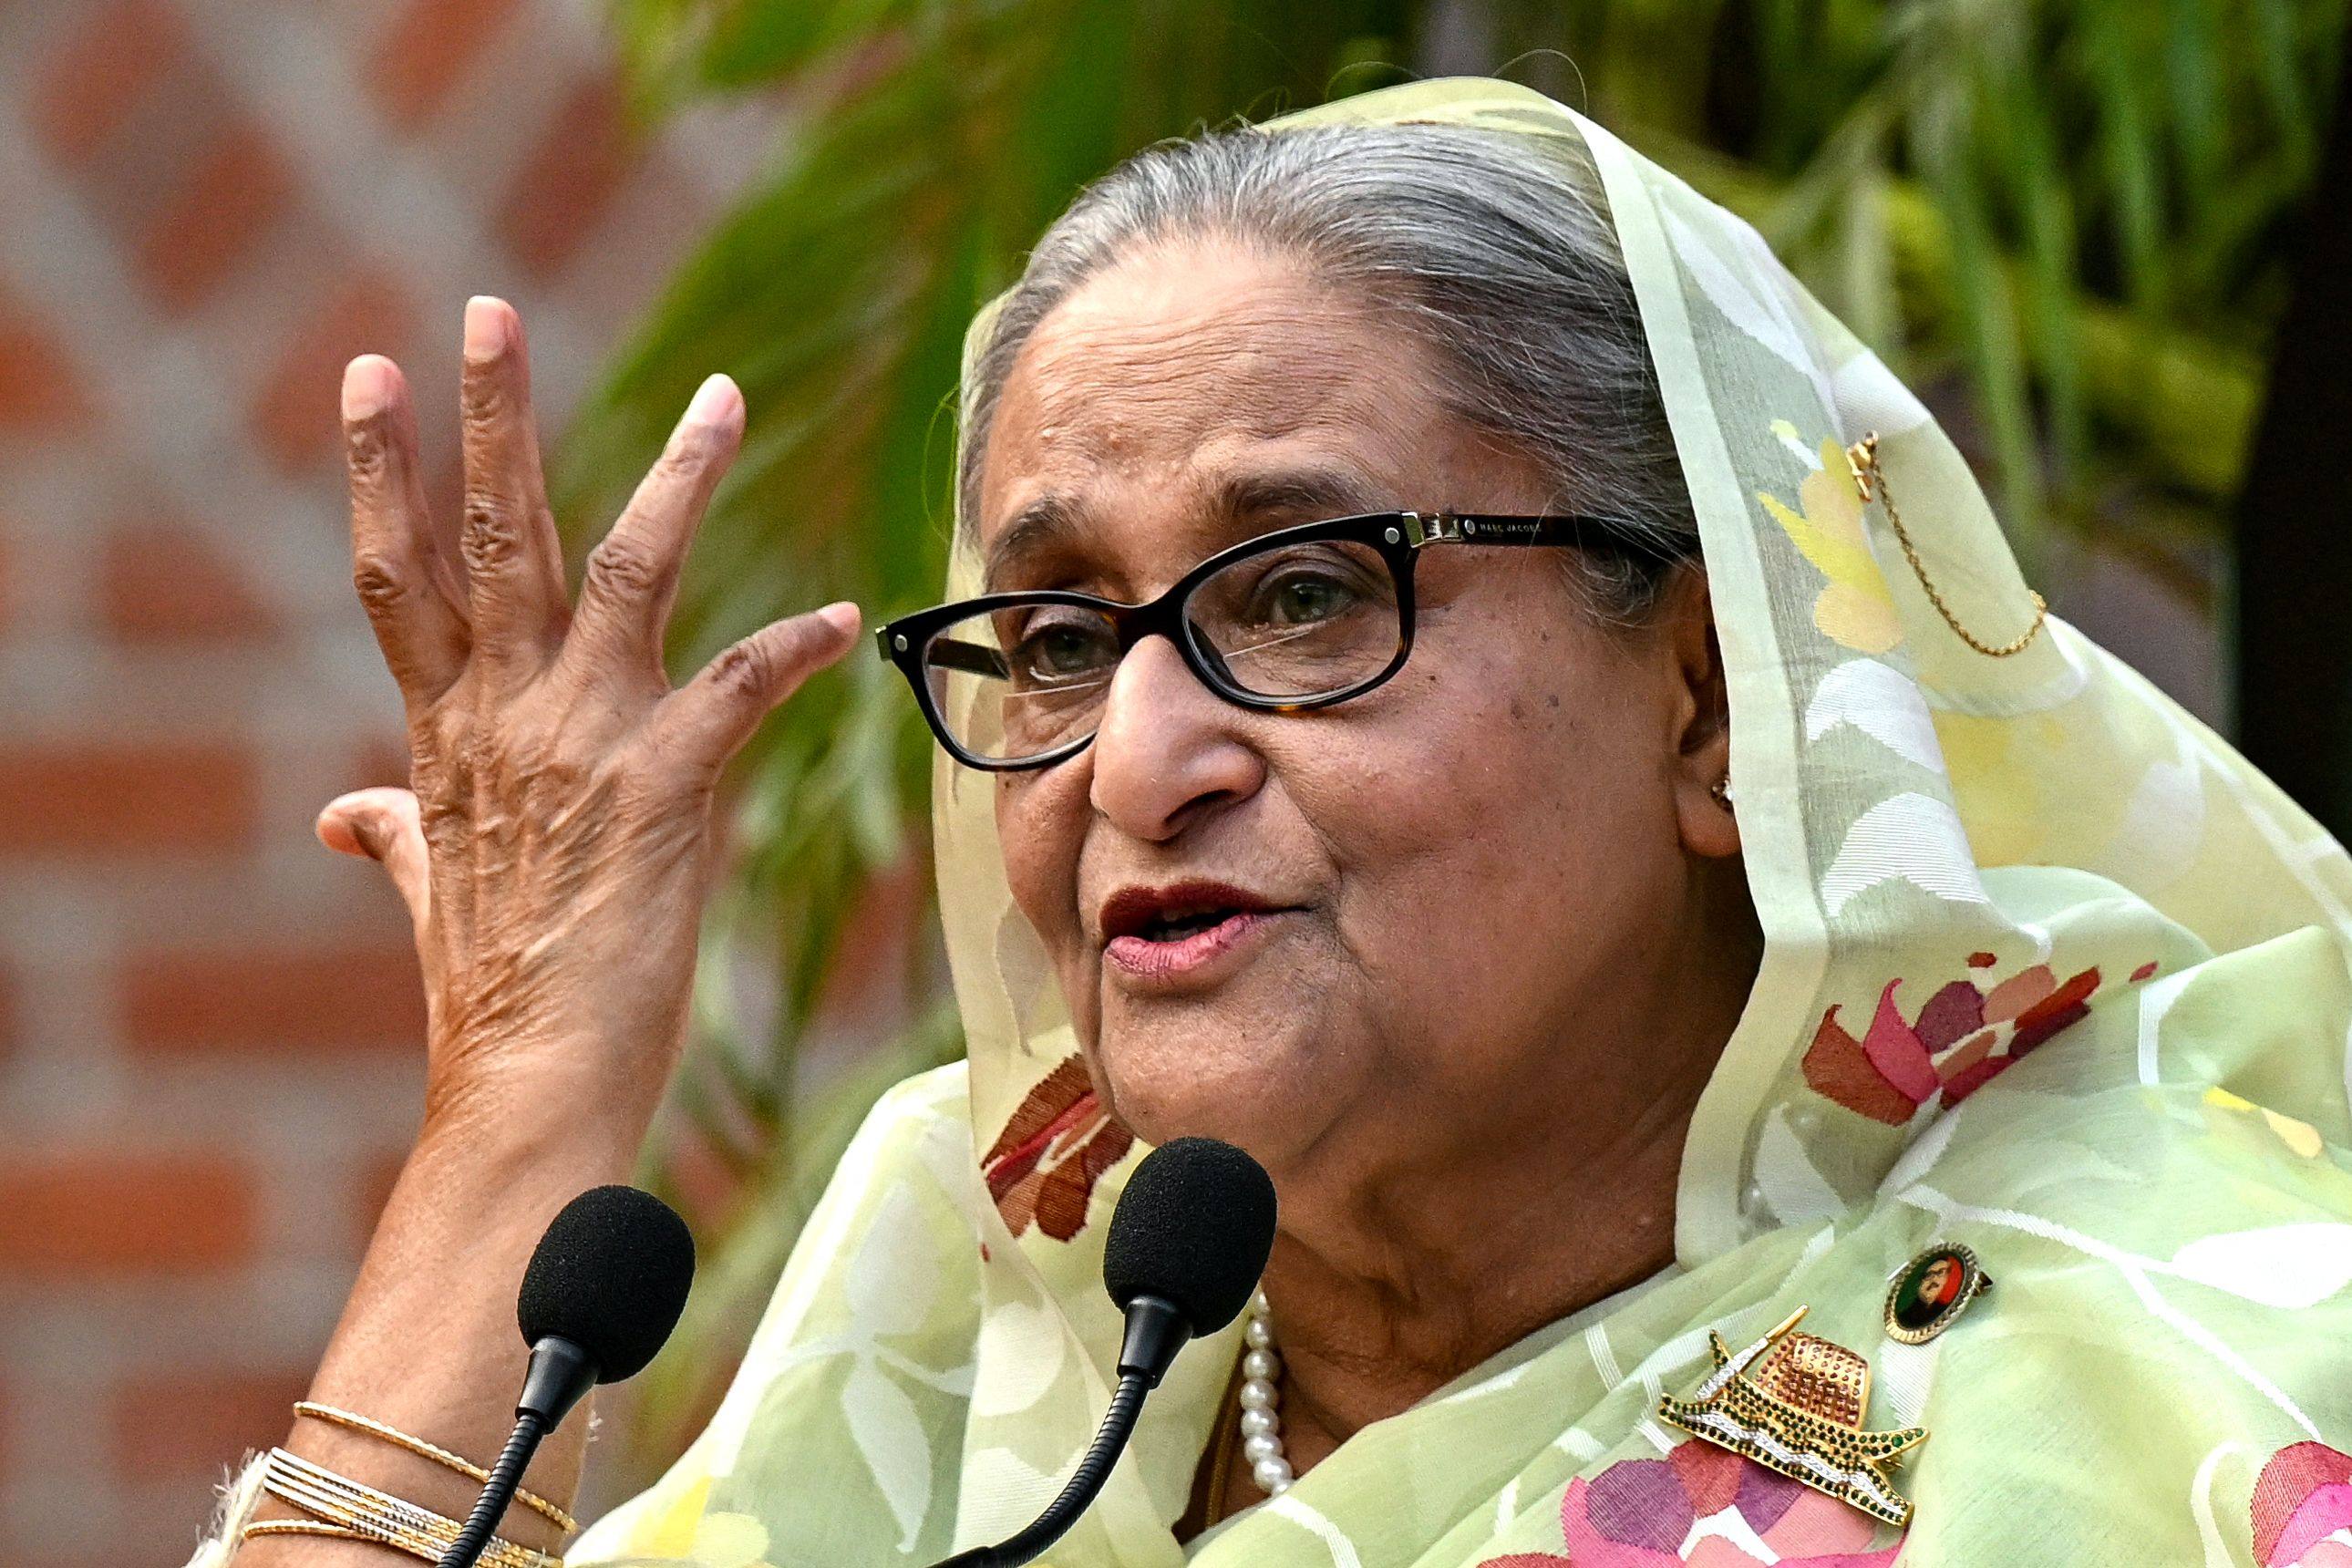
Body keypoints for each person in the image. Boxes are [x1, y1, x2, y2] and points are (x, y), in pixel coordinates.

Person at [191, 78, 2352, 1568]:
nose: (1135, 758)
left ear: (1712, 702)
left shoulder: (2173, 1371)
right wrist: (530, 1095)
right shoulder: (975, 1326)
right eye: (1052, 630)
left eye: (1303, 593)